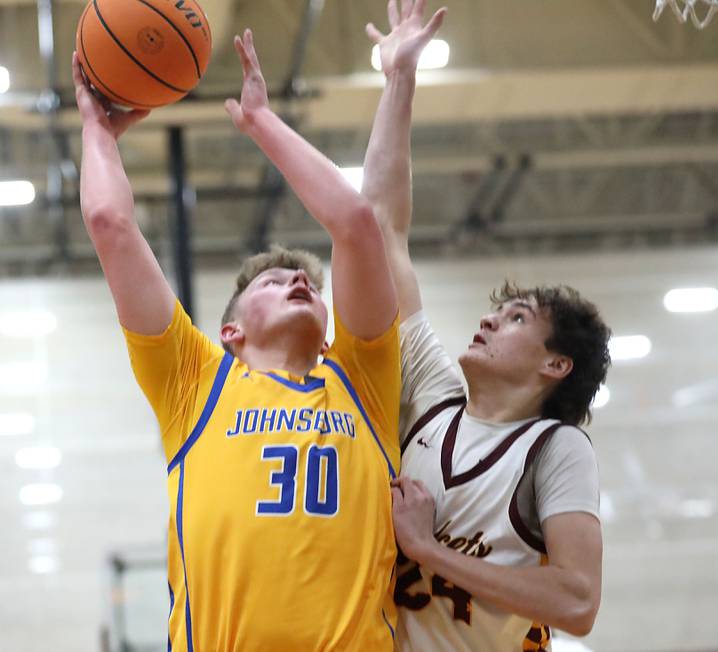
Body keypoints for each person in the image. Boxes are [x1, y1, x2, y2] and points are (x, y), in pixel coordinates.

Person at [74, 28, 401, 652]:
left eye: (304, 280)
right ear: (229, 332)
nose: (300, 280)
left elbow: (357, 225)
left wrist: (262, 123)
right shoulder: (195, 381)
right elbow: (110, 224)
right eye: (276, 282)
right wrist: (96, 129)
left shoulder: (363, 379)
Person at [361, 1, 611, 649]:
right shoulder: (434, 395)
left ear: (555, 364)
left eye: (516, 318)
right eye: (497, 310)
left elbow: (579, 603)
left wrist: (428, 549)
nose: (489, 318)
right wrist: (398, 83)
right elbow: (382, 227)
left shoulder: (555, 450)